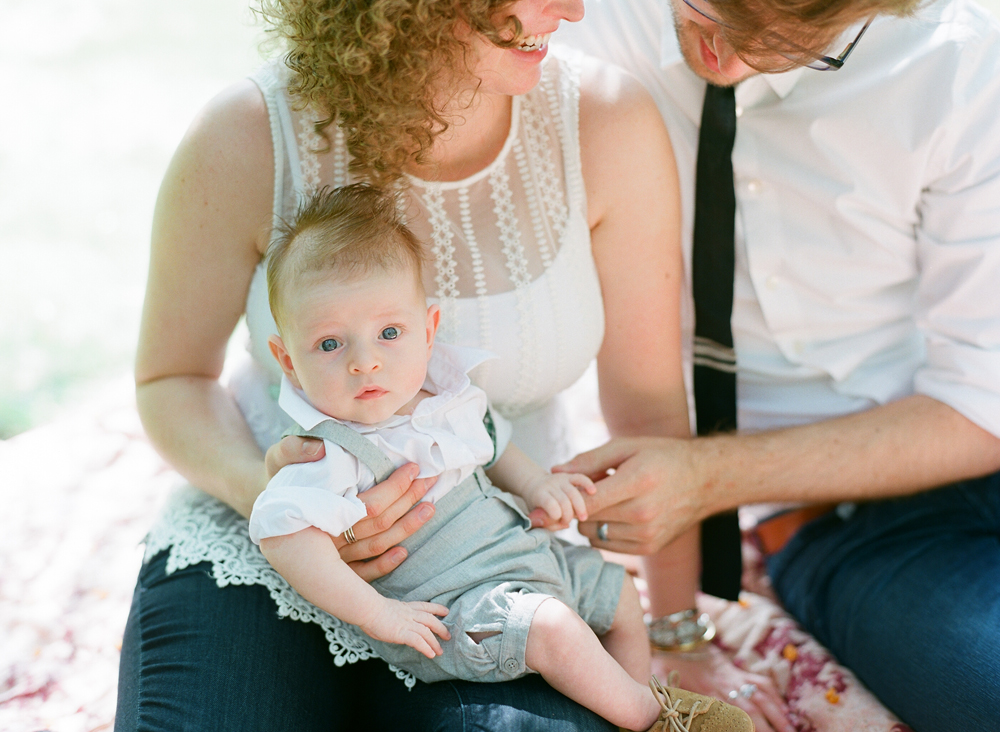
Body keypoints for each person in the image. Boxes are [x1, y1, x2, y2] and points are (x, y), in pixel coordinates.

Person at [116, 0, 767, 729]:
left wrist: (674, 629)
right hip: (260, 541)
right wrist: (279, 498)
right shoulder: (247, 134)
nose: (577, 10)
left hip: (491, 555)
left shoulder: (605, 120)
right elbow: (171, 379)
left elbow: (647, 409)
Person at [557, 1, 1000, 730]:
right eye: (705, 18)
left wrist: (707, 478)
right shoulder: (582, 22)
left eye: (791, 43)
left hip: (948, 425)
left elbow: (980, 402)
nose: (724, 62)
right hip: (849, 523)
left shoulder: (955, 57)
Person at [248, 182, 752, 732]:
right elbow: (283, 536)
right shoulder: (329, 452)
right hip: (456, 608)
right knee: (554, 630)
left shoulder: (447, 400)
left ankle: (630, 700)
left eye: (389, 332)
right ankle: (659, 720)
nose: (365, 363)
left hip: (527, 560)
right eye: (329, 344)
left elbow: (494, 444)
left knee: (620, 593)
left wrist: (538, 487)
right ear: (287, 359)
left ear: (429, 330)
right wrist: (381, 615)